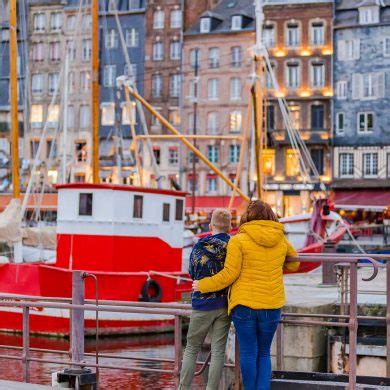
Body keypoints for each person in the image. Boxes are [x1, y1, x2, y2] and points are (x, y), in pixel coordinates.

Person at [193, 200, 300, 390]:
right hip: (271, 304)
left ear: (246, 217)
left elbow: (229, 275)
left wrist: (202, 285)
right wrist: (275, 265)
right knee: (264, 354)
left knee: (249, 354)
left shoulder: (238, 240)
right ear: (270, 216)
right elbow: (294, 263)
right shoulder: (280, 239)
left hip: (244, 306)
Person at [179, 209, 232, 390]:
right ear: (230, 227)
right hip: (224, 304)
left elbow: (192, 272)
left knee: (192, 348)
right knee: (218, 351)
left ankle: (183, 387)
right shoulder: (233, 246)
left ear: (210, 226)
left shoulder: (200, 246)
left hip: (202, 304)